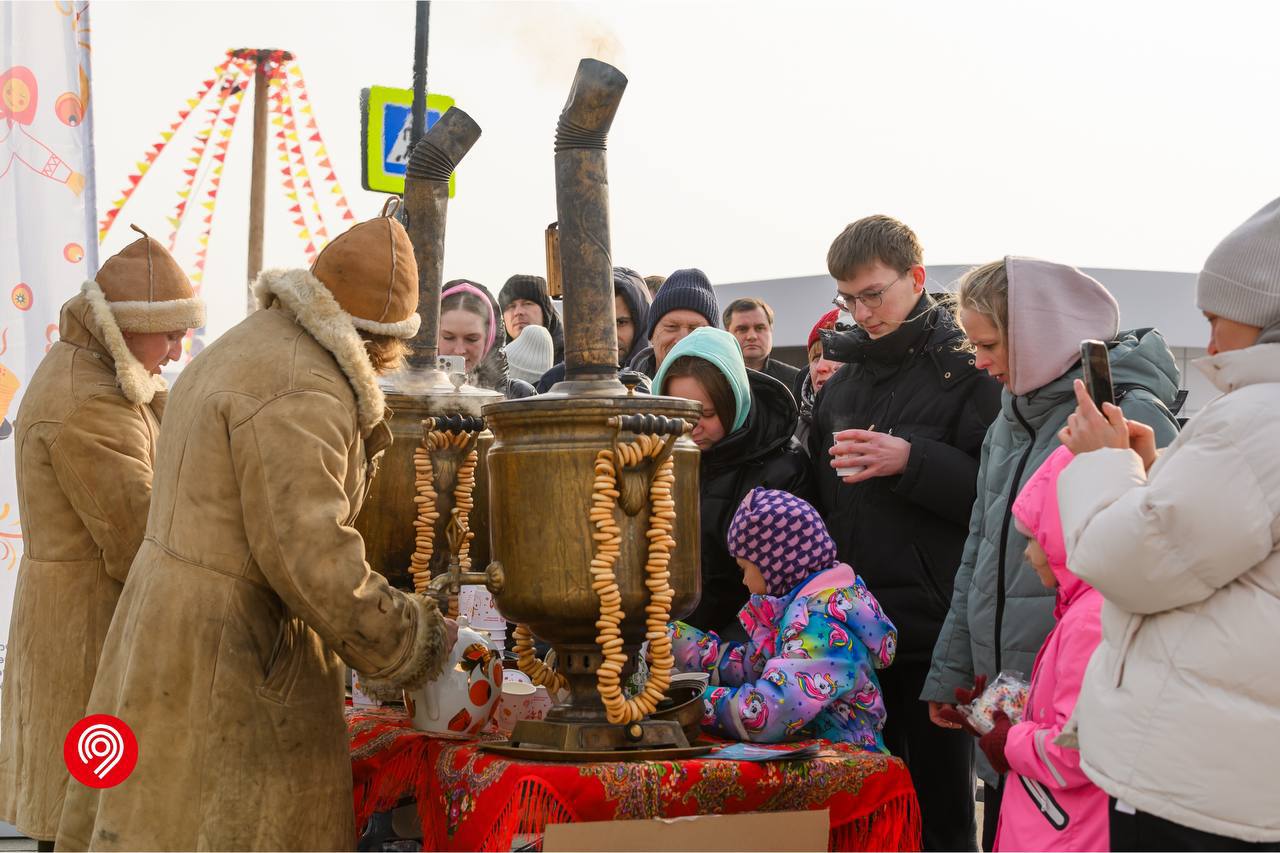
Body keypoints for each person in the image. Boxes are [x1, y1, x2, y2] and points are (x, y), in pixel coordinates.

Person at [55, 213, 457, 851]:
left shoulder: (254, 342)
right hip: (231, 649)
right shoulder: (306, 386)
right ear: (381, 340)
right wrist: (408, 637)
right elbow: (309, 553)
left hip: (171, 623)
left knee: (157, 822)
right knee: (222, 827)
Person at [921, 256, 1183, 850]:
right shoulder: (1009, 419)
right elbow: (981, 549)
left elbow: (1162, 552)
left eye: (988, 344)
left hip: (1076, 720)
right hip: (1014, 703)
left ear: (1037, 333)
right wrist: (956, 669)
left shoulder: (1127, 415)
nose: (980, 362)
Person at [1054, 197, 1280, 850]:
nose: (1208, 344)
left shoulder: (1257, 418)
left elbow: (1134, 566)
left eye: (1218, 319)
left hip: (1205, 782)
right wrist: (1151, 475)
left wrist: (1105, 463)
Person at [0, 227, 203, 850]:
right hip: (89, 627)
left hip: (81, 617)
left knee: (84, 812)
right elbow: (138, 535)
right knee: (89, 817)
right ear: (125, 325)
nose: (175, 349)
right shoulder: (88, 400)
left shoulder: (103, 376)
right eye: (167, 332)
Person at [813, 215, 1002, 851]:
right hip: (851, 637)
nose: (861, 312)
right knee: (868, 816)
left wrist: (911, 461)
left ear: (916, 279)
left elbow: (996, 497)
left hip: (932, 635)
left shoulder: (971, 370)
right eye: (848, 298)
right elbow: (824, 499)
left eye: (874, 294)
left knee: (943, 816)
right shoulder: (844, 383)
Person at [943, 446, 1109, 853]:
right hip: (1051, 821)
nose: (1028, 554)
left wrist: (1008, 738)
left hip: (1063, 830)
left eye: (1036, 539)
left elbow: (1076, 749)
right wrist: (997, 714)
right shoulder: (1081, 609)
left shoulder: (1089, 621)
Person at [669, 488, 897, 748]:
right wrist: (671, 640)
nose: (744, 581)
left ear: (776, 565)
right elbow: (754, 668)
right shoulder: (797, 610)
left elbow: (767, 715)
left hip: (846, 769)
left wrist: (688, 701)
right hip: (817, 759)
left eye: (745, 569)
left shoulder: (820, 627)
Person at [653, 327, 811, 636]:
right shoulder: (653, 459)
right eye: (677, 414)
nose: (691, 427)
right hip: (664, 643)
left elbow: (786, 589)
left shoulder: (783, 469)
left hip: (748, 651)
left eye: (707, 413)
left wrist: (726, 653)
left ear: (735, 400)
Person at [536, 266, 652, 392]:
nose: (609, 334)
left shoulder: (658, 379)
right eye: (601, 322)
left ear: (641, 326)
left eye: (621, 322)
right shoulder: (556, 380)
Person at [440, 279, 536, 399]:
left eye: (472, 339)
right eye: (448, 337)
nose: (459, 350)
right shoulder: (411, 390)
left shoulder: (518, 395)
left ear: (489, 340)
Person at [629, 267, 720, 378]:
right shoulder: (619, 390)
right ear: (651, 335)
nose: (682, 340)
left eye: (696, 329)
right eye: (671, 327)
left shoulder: (742, 392)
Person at [723, 296, 801, 389]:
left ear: (771, 330)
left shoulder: (797, 381)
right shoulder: (713, 381)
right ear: (727, 334)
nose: (752, 336)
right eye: (742, 329)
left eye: (759, 328)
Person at [794, 308, 841, 449]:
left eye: (835, 354)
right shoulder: (793, 433)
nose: (821, 367)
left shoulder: (887, 427)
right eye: (815, 357)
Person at [497, 273, 564, 363]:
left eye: (527, 303)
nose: (518, 312)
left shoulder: (573, 363)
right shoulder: (492, 367)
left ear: (546, 312)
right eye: (511, 306)